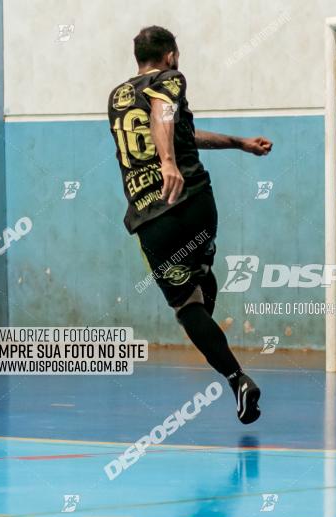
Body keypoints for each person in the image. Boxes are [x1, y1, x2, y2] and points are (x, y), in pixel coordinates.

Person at [107, 26, 272, 424]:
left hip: (151, 216)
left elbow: (178, 131)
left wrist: (237, 142)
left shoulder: (117, 96)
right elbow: (164, 115)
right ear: (170, 55)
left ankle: (237, 379)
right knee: (198, 285)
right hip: (195, 202)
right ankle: (201, 270)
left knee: (187, 307)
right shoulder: (170, 79)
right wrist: (167, 163)